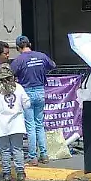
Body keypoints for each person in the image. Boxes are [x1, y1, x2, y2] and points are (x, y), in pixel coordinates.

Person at [12, 35, 56, 165]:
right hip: (40, 90)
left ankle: (32, 156)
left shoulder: (19, 60)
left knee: (30, 126)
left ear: (18, 47)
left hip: (26, 93)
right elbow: (52, 65)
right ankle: (44, 154)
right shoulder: (41, 56)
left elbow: (11, 72)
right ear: (29, 44)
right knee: (39, 124)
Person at [0, 64, 31, 181]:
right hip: (17, 123)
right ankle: (20, 174)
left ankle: (6, 175)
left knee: (4, 150)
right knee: (17, 149)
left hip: (1, 124)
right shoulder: (19, 87)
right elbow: (27, 103)